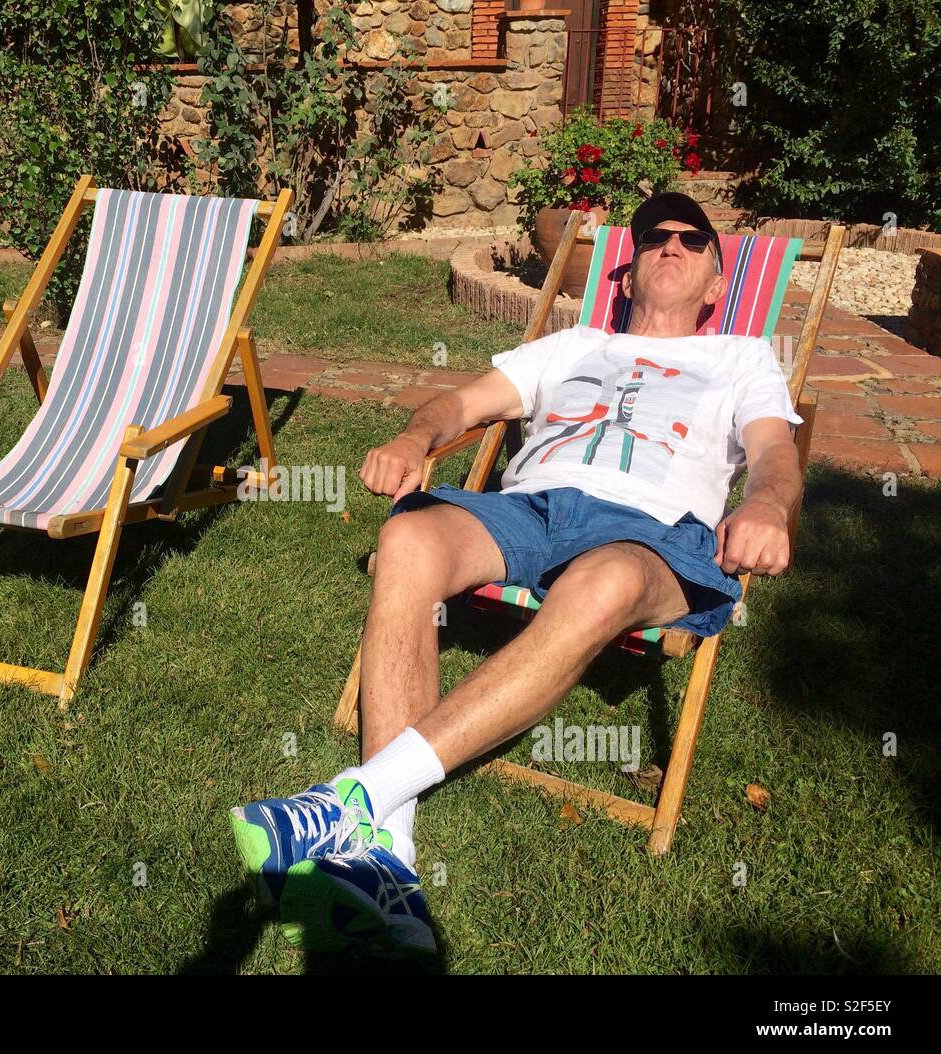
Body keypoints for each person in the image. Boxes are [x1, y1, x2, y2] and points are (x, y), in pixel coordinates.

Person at [229, 192, 802, 956]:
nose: (670, 245)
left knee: (601, 586)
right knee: (408, 540)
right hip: (530, 510)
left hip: (652, 535)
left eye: (691, 239)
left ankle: (348, 799)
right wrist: (411, 436)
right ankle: (388, 852)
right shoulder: (574, 345)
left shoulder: (741, 358)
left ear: (714, 279)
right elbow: (461, 403)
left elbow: (774, 457)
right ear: (626, 274)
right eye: (653, 237)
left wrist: (765, 507)